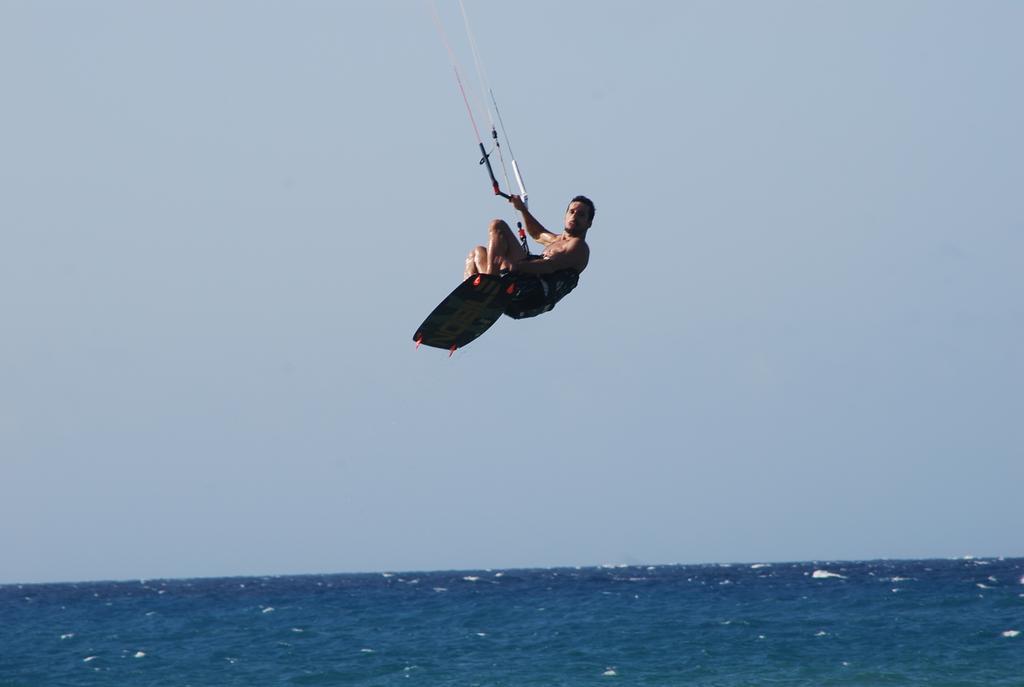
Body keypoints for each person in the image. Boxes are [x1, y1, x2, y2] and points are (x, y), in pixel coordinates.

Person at [464, 194, 595, 318]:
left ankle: (490, 282)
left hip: (535, 294)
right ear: (565, 216)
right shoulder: (557, 240)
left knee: (497, 225)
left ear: (589, 223)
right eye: (571, 212)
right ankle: (470, 296)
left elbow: (550, 266)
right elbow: (537, 233)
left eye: (581, 215)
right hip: (518, 291)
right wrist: (522, 209)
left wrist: (515, 266)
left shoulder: (579, 246)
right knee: (477, 253)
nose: (574, 216)